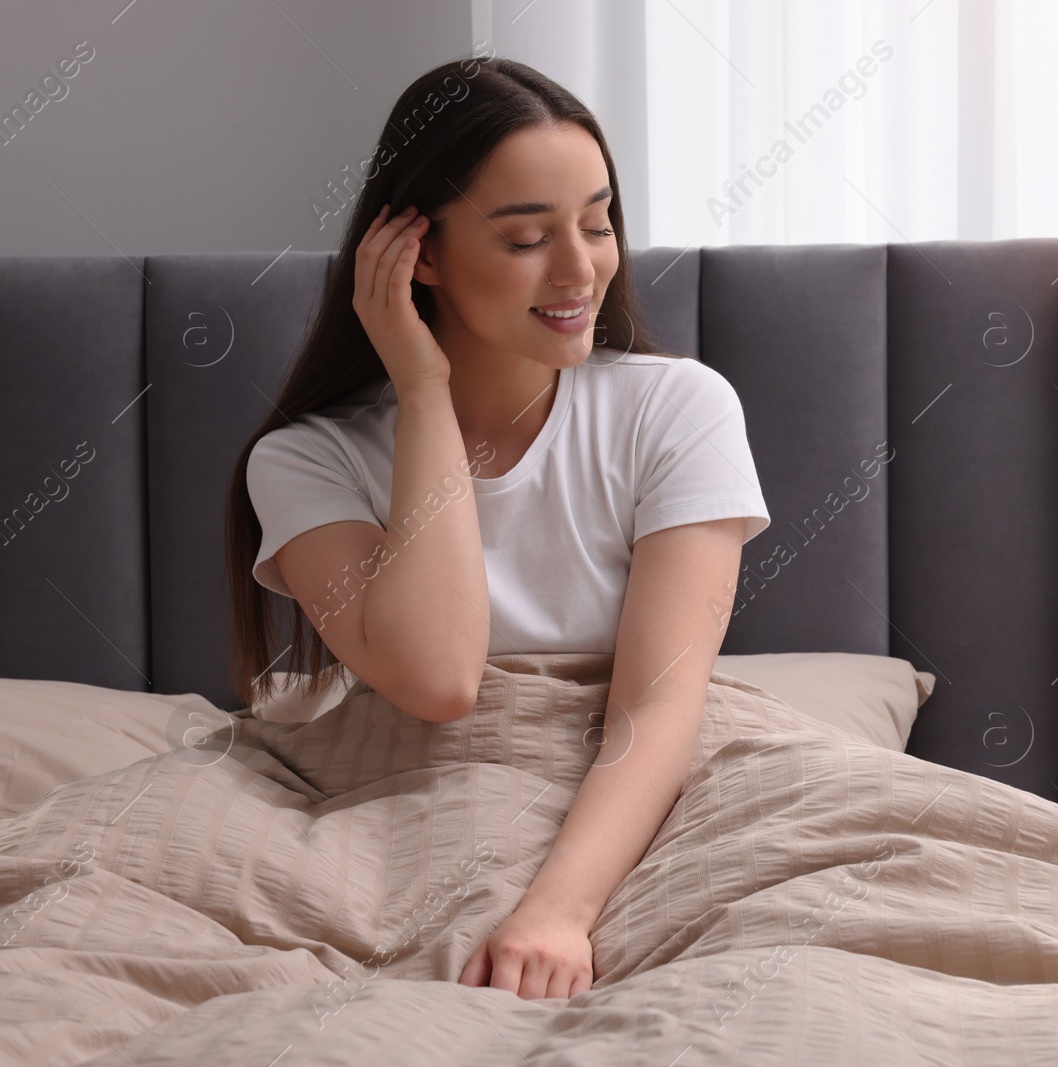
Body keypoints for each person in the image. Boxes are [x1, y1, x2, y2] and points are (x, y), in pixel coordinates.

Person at [222, 56, 769, 1003]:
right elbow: (437, 681)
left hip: (630, 777)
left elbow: (655, 709)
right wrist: (424, 392)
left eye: (598, 225)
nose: (580, 270)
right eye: (526, 239)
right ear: (417, 253)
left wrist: (556, 911)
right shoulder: (307, 460)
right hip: (404, 785)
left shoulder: (679, 408)